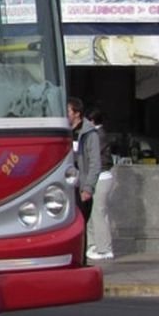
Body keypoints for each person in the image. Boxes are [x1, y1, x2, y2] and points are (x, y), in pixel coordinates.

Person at [85, 107, 115, 260]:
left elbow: (92, 155)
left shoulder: (98, 135)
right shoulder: (96, 134)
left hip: (102, 177)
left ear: (92, 121)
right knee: (93, 213)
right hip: (97, 177)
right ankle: (94, 245)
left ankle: (104, 249)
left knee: (99, 213)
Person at [66, 97, 101, 231]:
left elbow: (95, 163)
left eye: (68, 111)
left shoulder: (89, 134)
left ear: (77, 113)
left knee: (80, 226)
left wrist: (88, 188)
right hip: (67, 185)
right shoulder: (65, 131)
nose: (65, 114)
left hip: (80, 186)